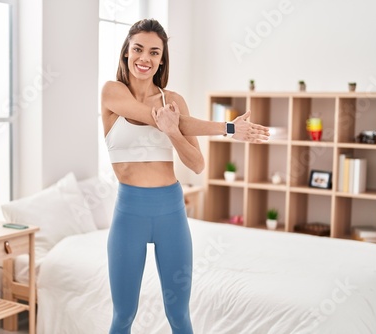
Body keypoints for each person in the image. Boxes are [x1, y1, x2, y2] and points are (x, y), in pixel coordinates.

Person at [101, 18, 270, 334]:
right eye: (138, 49)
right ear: (126, 53)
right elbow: (155, 118)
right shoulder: (112, 93)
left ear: (161, 59)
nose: (145, 59)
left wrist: (175, 132)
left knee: (178, 314)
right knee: (123, 315)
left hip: (170, 211)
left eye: (154, 52)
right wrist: (228, 128)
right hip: (129, 213)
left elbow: (197, 165)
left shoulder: (174, 101)